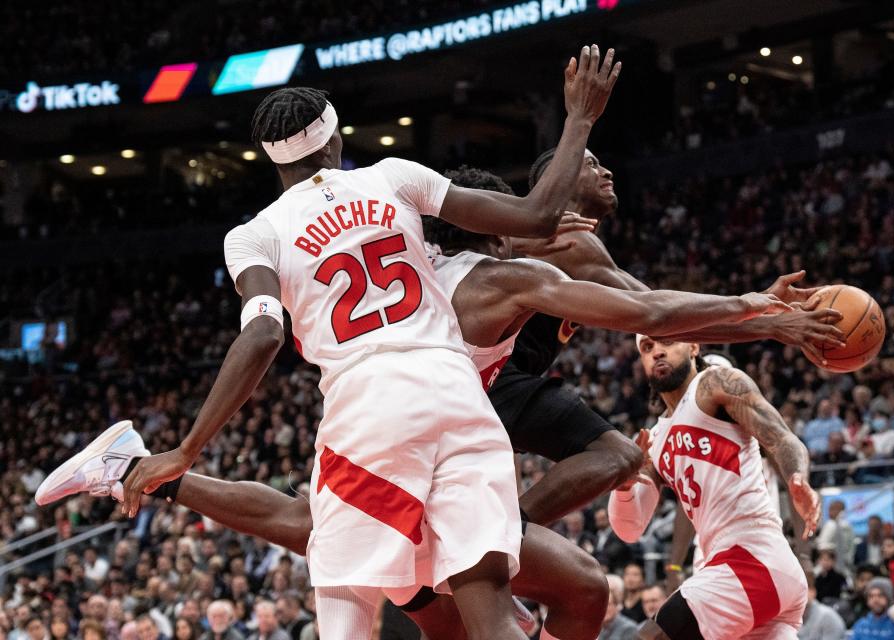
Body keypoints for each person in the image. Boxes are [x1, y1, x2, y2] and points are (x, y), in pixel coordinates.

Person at [39, 161, 793, 640]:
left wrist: (757, 313)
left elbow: (645, 303)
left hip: (437, 418)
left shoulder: (464, 262)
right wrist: (761, 314)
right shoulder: (497, 278)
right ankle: (138, 465)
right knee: (330, 538)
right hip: (428, 424)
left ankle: (137, 465)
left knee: (578, 585)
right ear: (498, 231)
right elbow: (650, 311)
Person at [37, 46, 624, 640]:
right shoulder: (396, 179)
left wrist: (188, 448)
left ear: (270, 158)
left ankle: (132, 466)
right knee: (451, 591)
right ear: (336, 137)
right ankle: (130, 466)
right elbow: (537, 216)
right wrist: (578, 119)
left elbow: (265, 329)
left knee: (341, 549)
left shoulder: (253, 235)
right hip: (441, 392)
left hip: (373, 406)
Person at [486, 149, 843, 527]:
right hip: (496, 381)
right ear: (560, 179)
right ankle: (509, 536)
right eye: (590, 164)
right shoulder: (568, 240)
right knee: (614, 455)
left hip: (494, 386)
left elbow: (668, 321)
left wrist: (764, 319)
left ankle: (500, 543)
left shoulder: (562, 244)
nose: (607, 171)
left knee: (486, 517)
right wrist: (765, 322)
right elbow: (663, 320)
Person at [609, 337, 820, 640]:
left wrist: (798, 477)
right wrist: (624, 486)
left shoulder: (715, 384)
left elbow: (781, 438)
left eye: (667, 340)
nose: (657, 351)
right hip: (739, 571)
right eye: (647, 347)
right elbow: (629, 529)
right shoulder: (653, 439)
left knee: (655, 632)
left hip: (754, 557)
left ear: (694, 347)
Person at [797, 569, 846, 640]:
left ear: (813, 592)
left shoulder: (828, 617)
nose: (798, 594)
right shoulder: (790, 616)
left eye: (803, 589)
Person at [817, 500, 855, 574]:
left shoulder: (832, 524)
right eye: (829, 509)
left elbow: (822, 547)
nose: (830, 512)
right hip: (844, 565)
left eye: (833, 509)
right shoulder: (847, 525)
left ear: (842, 511)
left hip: (835, 566)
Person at [598, 575, 640, 640]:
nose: (604, 609)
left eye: (608, 604)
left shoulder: (629, 628)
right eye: (601, 605)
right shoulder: (597, 627)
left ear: (616, 606)